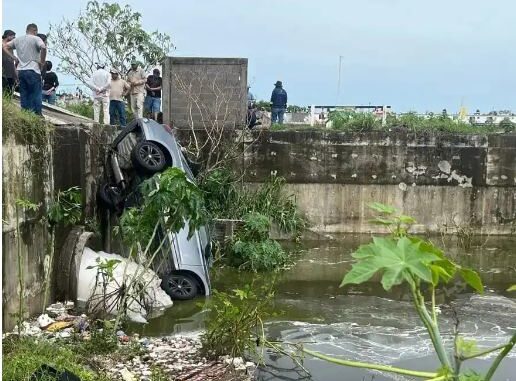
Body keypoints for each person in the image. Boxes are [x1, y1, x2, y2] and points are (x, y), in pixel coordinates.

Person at [3, 23, 46, 115]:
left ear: (27, 30)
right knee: (36, 93)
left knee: (24, 94)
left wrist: (15, 58)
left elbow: (5, 46)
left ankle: (25, 114)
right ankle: (38, 114)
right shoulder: (36, 38)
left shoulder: (18, 39)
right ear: (35, 31)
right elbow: (43, 47)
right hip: (33, 70)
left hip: (21, 71)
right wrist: (42, 62)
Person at [2, 30, 17, 94]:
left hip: (10, 74)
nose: (14, 39)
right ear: (8, 36)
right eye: (13, 37)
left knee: (9, 92)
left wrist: (15, 74)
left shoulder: (10, 48)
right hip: (3, 73)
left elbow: (12, 62)